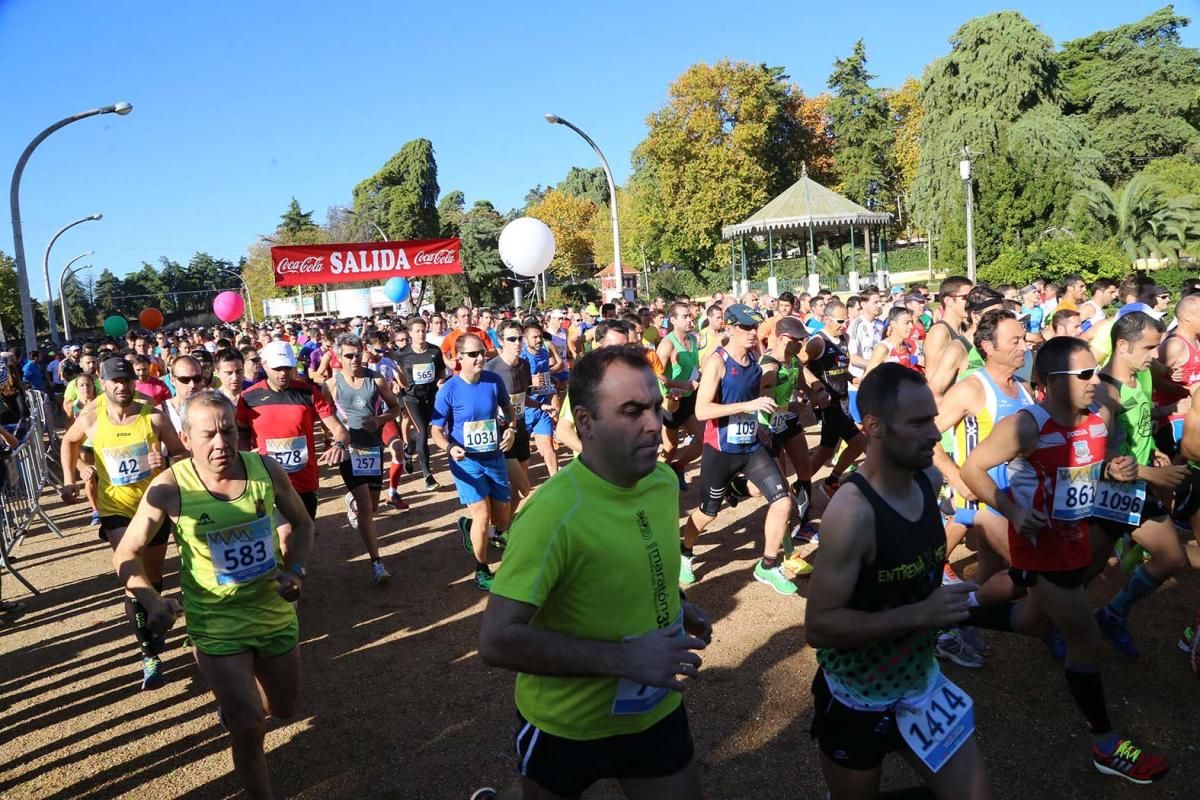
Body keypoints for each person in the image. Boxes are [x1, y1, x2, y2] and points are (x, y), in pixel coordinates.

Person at [476, 345, 710, 800]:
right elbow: (497, 639)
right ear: (585, 422)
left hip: (653, 709)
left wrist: (679, 607)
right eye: (632, 411)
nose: (653, 423)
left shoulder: (662, 482)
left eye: (656, 408)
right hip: (567, 723)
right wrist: (624, 659)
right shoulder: (551, 514)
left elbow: (638, 567)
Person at [960, 337, 1169, 784]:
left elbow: (1091, 465)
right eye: (1085, 375)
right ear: (1052, 382)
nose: (1097, 381)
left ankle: (947, 615)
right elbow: (972, 469)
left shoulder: (1097, 420)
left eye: (1096, 371)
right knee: (1086, 642)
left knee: (1032, 622)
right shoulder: (1025, 426)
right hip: (1041, 549)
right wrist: (1013, 509)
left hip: (1076, 542)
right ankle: (1106, 745)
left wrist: (1115, 469)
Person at [805, 363, 994, 799]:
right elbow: (820, 627)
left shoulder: (924, 483)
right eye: (919, 422)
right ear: (873, 427)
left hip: (921, 686)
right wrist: (921, 614)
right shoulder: (853, 513)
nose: (935, 433)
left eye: (933, 418)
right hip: (857, 697)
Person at [113, 391, 313, 800]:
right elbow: (126, 555)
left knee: (285, 709)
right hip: (215, 622)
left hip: (273, 613)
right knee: (247, 725)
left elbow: (303, 524)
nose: (221, 443)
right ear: (185, 439)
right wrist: (150, 599)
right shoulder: (169, 488)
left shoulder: (265, 469)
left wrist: (295, 570)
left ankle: (241, 703)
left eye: (227, 431)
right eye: (208, 435)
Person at [59, 356, 188, 689]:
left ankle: (154, 615)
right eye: (115, 381)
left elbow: (181, 453)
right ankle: (148, 656)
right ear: (104, 383)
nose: (122, 386)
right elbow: (68, 441)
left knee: (154, 577)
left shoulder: (153, 416)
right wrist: (72, 477)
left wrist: (166, 459)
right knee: (132, 576)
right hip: (115, 508)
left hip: (153, 505)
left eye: (127, 380)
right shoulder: (91, 417)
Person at [1090, 312, 1189, 658]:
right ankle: (1052, 625)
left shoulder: (1143, 375)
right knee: (1086, 571)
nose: (1154, 355)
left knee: (1171, 557)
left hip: (1139, 488)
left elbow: (1141, 424)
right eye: (1148, 347)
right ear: (1122, 345)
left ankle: (1112, 613)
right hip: (1108, 493)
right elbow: (1097, 461)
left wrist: (1156, 450)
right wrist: (1153, 475)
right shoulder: (1103, 392)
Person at [679, 304, 797, 595]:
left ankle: (767, 566)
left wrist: (758, 424)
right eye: (745, 328)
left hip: (751, 445)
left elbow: (751, 395)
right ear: (730, 328)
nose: (752, 333)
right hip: (721, 449)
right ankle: (684, 550)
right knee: (708, 512)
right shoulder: (716, 362)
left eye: (754, 328)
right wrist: (749, 407)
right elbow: (702, 409)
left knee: (782, 501)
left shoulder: (755, 357)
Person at [431, 334, 516, 591]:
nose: (480, 358)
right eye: (473, 354)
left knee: (502, 519)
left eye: (482, 352)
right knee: (483, 514)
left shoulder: (493, 381)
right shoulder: (449, 390)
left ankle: (469, 527)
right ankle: (481, 568)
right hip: (466, 460)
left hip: (494, 456)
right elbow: (436, 431)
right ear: (458, 358)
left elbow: (509, 409)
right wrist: (449, 447)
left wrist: (511, 429)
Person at [237, 341, 351, 528]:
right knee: (283, 536)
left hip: (305, 480)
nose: (283, 373)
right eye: (277, 368)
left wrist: (339, 445)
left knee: (303, 532)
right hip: (266, 478)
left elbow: (340, 431)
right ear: (264, 365)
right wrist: (245, 457)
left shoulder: (309, 394)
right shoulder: (248, 397)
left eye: (287, 367)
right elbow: (241, 434)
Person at [325, 334, 403, 585]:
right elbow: (323, 415)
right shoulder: (331, 384)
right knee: (366, 508)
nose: (354, 359)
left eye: (357, 354)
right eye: (348, 355)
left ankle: (352, 501)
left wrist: (379, 421)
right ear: (339, 357)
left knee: (373, 504)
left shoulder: (376, 379)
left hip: (371, 449)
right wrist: (338, 436)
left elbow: (395, 408)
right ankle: (377, 563)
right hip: (349, 450)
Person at [759, 315, 818, 562]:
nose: (802, 345)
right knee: (780, 491)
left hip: (788, 422)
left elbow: (805, 379)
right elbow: (761, 394)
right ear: (783, 338)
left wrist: (818, 390)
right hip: (768, 427)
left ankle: (803, 525)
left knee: (805, 471)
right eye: (798, 340)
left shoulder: (793, 359)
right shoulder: (769, 366)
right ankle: (785, 550)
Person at [805, 300, 867, 493]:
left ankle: (801, 484)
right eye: (840, 321)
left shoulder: (844, 338)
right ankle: (832, 480)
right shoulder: (817, 342)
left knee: (826, 450)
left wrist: (851, 378)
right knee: (859, 442)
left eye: (846, 320)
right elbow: (797, 365)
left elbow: (838, 368)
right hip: (829, 404)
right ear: (826, 319)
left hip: (843, 399)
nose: (844, 325)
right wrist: (816, 389)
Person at [554, 320, 631, 455]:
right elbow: (563, 429)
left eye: (626, 347)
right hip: (595, 470)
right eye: (615, 348)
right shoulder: (588, 381)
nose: (622, 353)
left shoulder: (636, 379)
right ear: (599, 346)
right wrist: (594, 454)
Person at [486, 320, 535, 505]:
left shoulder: (524, 365)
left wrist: (541, 406)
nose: (517, 343)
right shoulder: (490, 369)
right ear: (501, 341)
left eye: (520, 338)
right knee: (523, 486)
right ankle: (489, 526)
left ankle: (500, 529)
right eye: (512, 339)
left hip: (520, 429)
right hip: (501, 433)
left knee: (518, 491)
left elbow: (522, 398)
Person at [394, 315, 446, 491]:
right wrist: (396, 384)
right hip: (411, 398)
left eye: (423, 330)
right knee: (423, 431)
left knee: (420, 430)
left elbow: (441, 370)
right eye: (417, 331)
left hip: (430, 396)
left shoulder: (435, 351)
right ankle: (427, 475)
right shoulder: (402, 354)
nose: (421, 334)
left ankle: (408, 452)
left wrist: (440, 380)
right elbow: (396, 375)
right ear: (410, 334)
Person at [657, 302, 705, 487]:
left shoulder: (692, 340)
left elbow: (694, 368)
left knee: (702, 439)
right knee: (670, 448)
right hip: (670, 401)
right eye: (684, 316)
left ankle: (678, 467)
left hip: (689, 398)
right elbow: (657, 375)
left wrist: (699, 377)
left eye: (690, 316)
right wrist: (680, 385)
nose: (689, 319)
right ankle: (656, 483)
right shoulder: (667, 344)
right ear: (673, 320)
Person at [520, 321, 562, 477]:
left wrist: (550, 379)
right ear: (525, 339)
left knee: (548, 446)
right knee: (523, 454)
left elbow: (544, 378)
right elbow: (513, 384)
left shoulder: (544, 353)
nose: (538, 340)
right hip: (524, 410)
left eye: (540, 337)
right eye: (534, 337)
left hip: (542, 407)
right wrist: (531, 381)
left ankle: (555, 478)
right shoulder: (521, 358)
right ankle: (521, 486)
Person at [923, 277, 974, 399]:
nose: (971, 302)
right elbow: (932, 382)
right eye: (966, 298)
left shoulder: (965, 327)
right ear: (948, 300)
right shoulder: (940, 332)